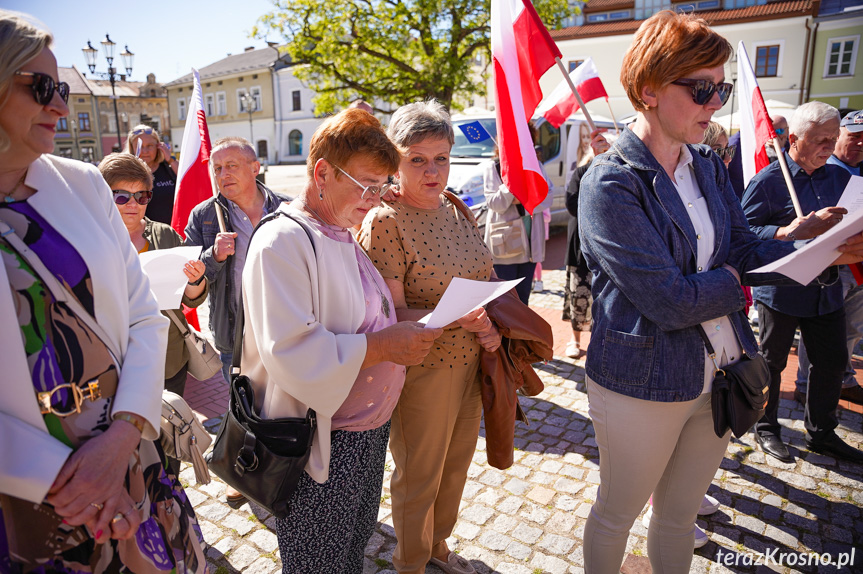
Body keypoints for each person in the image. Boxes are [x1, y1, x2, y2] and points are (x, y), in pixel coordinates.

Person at [578, 12, 863, 573]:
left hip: (721, 369)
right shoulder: (610, 182)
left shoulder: (707, 163)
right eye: (703, 88)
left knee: (681, 515)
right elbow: (669, 300)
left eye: (721, 87)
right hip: (642, 380)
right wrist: (739, 281)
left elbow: (738, 243)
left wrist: (817, 246)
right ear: (648, 90)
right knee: (618, 514)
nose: (715, 102)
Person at [0, 10, 205, 571]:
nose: (61, 107)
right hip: (27, 493)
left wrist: (118, 442)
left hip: (129, 449)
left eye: (62, 88)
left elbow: (143, 317)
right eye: (41, 88)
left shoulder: (83, 183)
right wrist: (68, 475)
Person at [241, 108, 442, 572]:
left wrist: (432, 319)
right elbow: (293, 350)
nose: (375, 200)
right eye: (367, 185)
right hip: (318, 445)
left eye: (382, 187)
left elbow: (371, 316)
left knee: (350, 553)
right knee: (319, 563)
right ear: (323, 173)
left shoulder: (339, 230)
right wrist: (386, 348)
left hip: (363, 435)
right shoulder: (283, 242)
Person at [360, 100, 502, 574]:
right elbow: (391, 312)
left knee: (456, 466)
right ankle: (411, 563)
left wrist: (485, 314)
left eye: (440, 157)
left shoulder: (457, 208)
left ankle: (438, 547)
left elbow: (482, 270)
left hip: (471, 363)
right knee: (419, 475)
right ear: (394, 162)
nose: (431, 171)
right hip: (422, 368)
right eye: (417, 159)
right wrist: (464, 316)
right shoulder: (385, 220)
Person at [743, 101, 863, 463]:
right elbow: (743, 232)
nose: (828, 147)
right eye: (820, 140)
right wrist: (785, 230)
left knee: (831, 361)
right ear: (794, 139)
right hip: (781, 291)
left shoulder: (841, 178)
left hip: (827, 289)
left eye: (833, 138)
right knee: (772, 363)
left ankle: (821, 432)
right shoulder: (768, 181)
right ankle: (766, 427)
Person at [98, 152, 209, 473]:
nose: (133, 203)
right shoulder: (94, 240)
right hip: (116, 362)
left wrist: (195, 280)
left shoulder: (165, 236)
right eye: (122, 196)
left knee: (169, 439)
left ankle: (169, 494)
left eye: (142, 195)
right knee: (128, 444)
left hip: (167, 357)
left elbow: (191, 300)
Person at [184, 136, 288, 384]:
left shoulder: (287, 208)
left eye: (231, 165)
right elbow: (189, 277)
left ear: (255, 168)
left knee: (291, 411)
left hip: (286, 332)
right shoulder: (204, 215)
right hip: (235, 339)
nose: (223, 174)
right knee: (244, 412)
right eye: (217, 169)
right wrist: (214, 256)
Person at [794, 109, 863, 407]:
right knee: (820, 329)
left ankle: (841, 380)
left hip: (858, 265)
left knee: (851, 330)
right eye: (855, 137)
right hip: (833, 265)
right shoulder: (822, 171)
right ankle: (807, 385)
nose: (861, 144)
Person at [482, 122, 554, 305]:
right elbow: (495, 203)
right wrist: (510, 187)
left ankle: (521, 335)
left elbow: (548, 196)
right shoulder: (494, 167)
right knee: (504, 302)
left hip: (531, 244)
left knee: (523, 300)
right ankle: (505, 335)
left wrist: (522, 199)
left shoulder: (536, 165)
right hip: (505, 245)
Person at [562, 127, 610, 359]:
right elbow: (571, 205)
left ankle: (598, 340)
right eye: (601, 145)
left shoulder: (618, 170)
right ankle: (575, 339)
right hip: (582, 244)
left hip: (608, 248)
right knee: (578, 294)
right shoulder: (582, 172)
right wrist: (595, 165)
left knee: (602, 298)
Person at [123, 124, 179, 225]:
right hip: (142, 235)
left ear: (158, 146)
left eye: (150, 146)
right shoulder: (126, 172)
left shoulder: (168, 167)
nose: (145, 151)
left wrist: (170, 159)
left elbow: (188, 181)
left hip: (172, 232)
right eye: (140, 146)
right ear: (132, 148)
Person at [727, 114, 788, 199]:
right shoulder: (734, 144)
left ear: (787, 130)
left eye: (779, 131)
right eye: (769, 131)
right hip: (740, 199)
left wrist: (779, 150)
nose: (773, 136)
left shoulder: (789, 146)